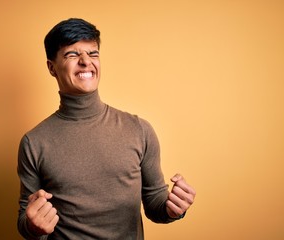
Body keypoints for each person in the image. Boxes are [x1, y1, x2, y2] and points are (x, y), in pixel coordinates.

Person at [17, 18, 196, 240]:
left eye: (93, 54)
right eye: (72, 54)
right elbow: (26, 217)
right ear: (52, 68)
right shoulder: (34, 142)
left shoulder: (139, 130)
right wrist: (33, 227)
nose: (85, 62)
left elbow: (155, 205)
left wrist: (173, 208)